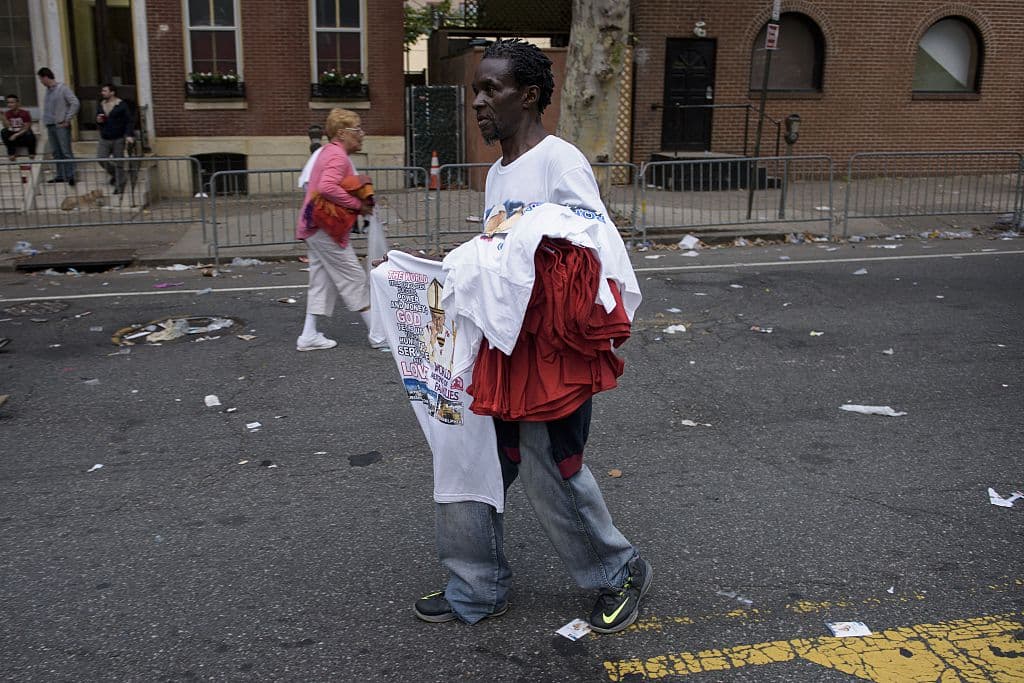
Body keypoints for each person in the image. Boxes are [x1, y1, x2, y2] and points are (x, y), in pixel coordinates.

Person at [412, 39, 651, 634]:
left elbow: (594, 250)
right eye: (476, 90)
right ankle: (477, 586)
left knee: (550, 465)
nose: (478, 102)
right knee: (473, 460)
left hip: (553, 351)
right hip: (502, 344)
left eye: (491, 89)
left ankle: (617, 570)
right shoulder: (496, 173)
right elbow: (505, 258)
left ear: (532, 94)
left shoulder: (559, 160)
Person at [295, 108, 387, 352]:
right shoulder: (338, 156)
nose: (362, 134)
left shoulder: (328, 152)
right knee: (354, 277)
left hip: (313, 226)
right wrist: (358, 205)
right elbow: (327, 187)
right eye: (357, 130)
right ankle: (378, 336)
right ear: (342, 133)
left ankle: (309, 335)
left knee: (321, 280)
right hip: (325, 229)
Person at [37, 67, 79, 185]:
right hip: (50, 124)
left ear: (46, 77)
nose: (41, 82)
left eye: (41, 79)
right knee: (56, 151)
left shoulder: (62, 89)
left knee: (65, 150)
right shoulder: (48, 91)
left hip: (61, 124)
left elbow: (74, 103)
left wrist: (67, 118)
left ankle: (71, 175)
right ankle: (61, 174)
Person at [96, 84, 135, 194]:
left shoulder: (121, 105)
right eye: (102, 91)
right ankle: (116, 175)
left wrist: (128, 135)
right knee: (101, 158)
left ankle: (119, 185)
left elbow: (129, 121)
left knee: (119, 162)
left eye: (105, 91)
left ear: (112, 92)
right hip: (105, 137)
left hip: (118, 137)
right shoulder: (101, 104)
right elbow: (98, 118)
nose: (102, 93)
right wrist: (98, 120)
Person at [2, 94, 37, 160]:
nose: (10, 104)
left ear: (17, 103)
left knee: (29, 133)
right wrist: (3, 117)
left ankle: (31, 153)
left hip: (22, 134)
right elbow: (8, 127)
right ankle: (11, 153)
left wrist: (16, 134)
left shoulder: (25, 113)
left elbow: (26, 127)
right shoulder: (7, 113)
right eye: (8, 103)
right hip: (13, 136)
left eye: (12, 102)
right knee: (3, 131)